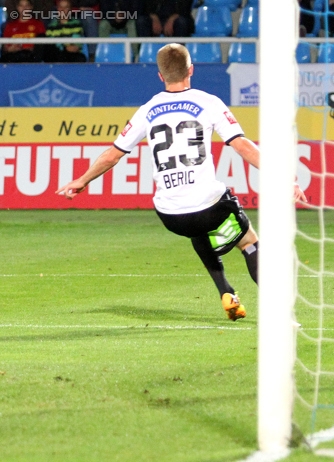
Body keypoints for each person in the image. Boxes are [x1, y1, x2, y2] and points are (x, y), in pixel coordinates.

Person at [56, 43, 307, 321]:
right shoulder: (208, 102)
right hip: (207, 206)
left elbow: (112, 156)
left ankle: (226, 291)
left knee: (196, 225)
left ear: (160, 76)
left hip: (171, 215)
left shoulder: (147, 110)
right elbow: (243, 146)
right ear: (191, 70)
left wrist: (81, 180)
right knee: (249, 242)